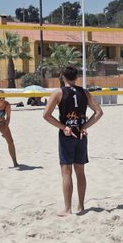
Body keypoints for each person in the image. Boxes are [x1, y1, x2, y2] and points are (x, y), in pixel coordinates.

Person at [42, 66, 103, 216]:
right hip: (80, 134)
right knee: (80, 172)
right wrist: (84, 126)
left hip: (67, 135)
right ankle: (81, 206)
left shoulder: (58, 92)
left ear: (63, 76)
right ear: (76, 77)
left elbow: (46, 115)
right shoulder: (84, 92)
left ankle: (67, 208)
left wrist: (63, 127)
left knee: (66, 172)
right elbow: (99, 112)